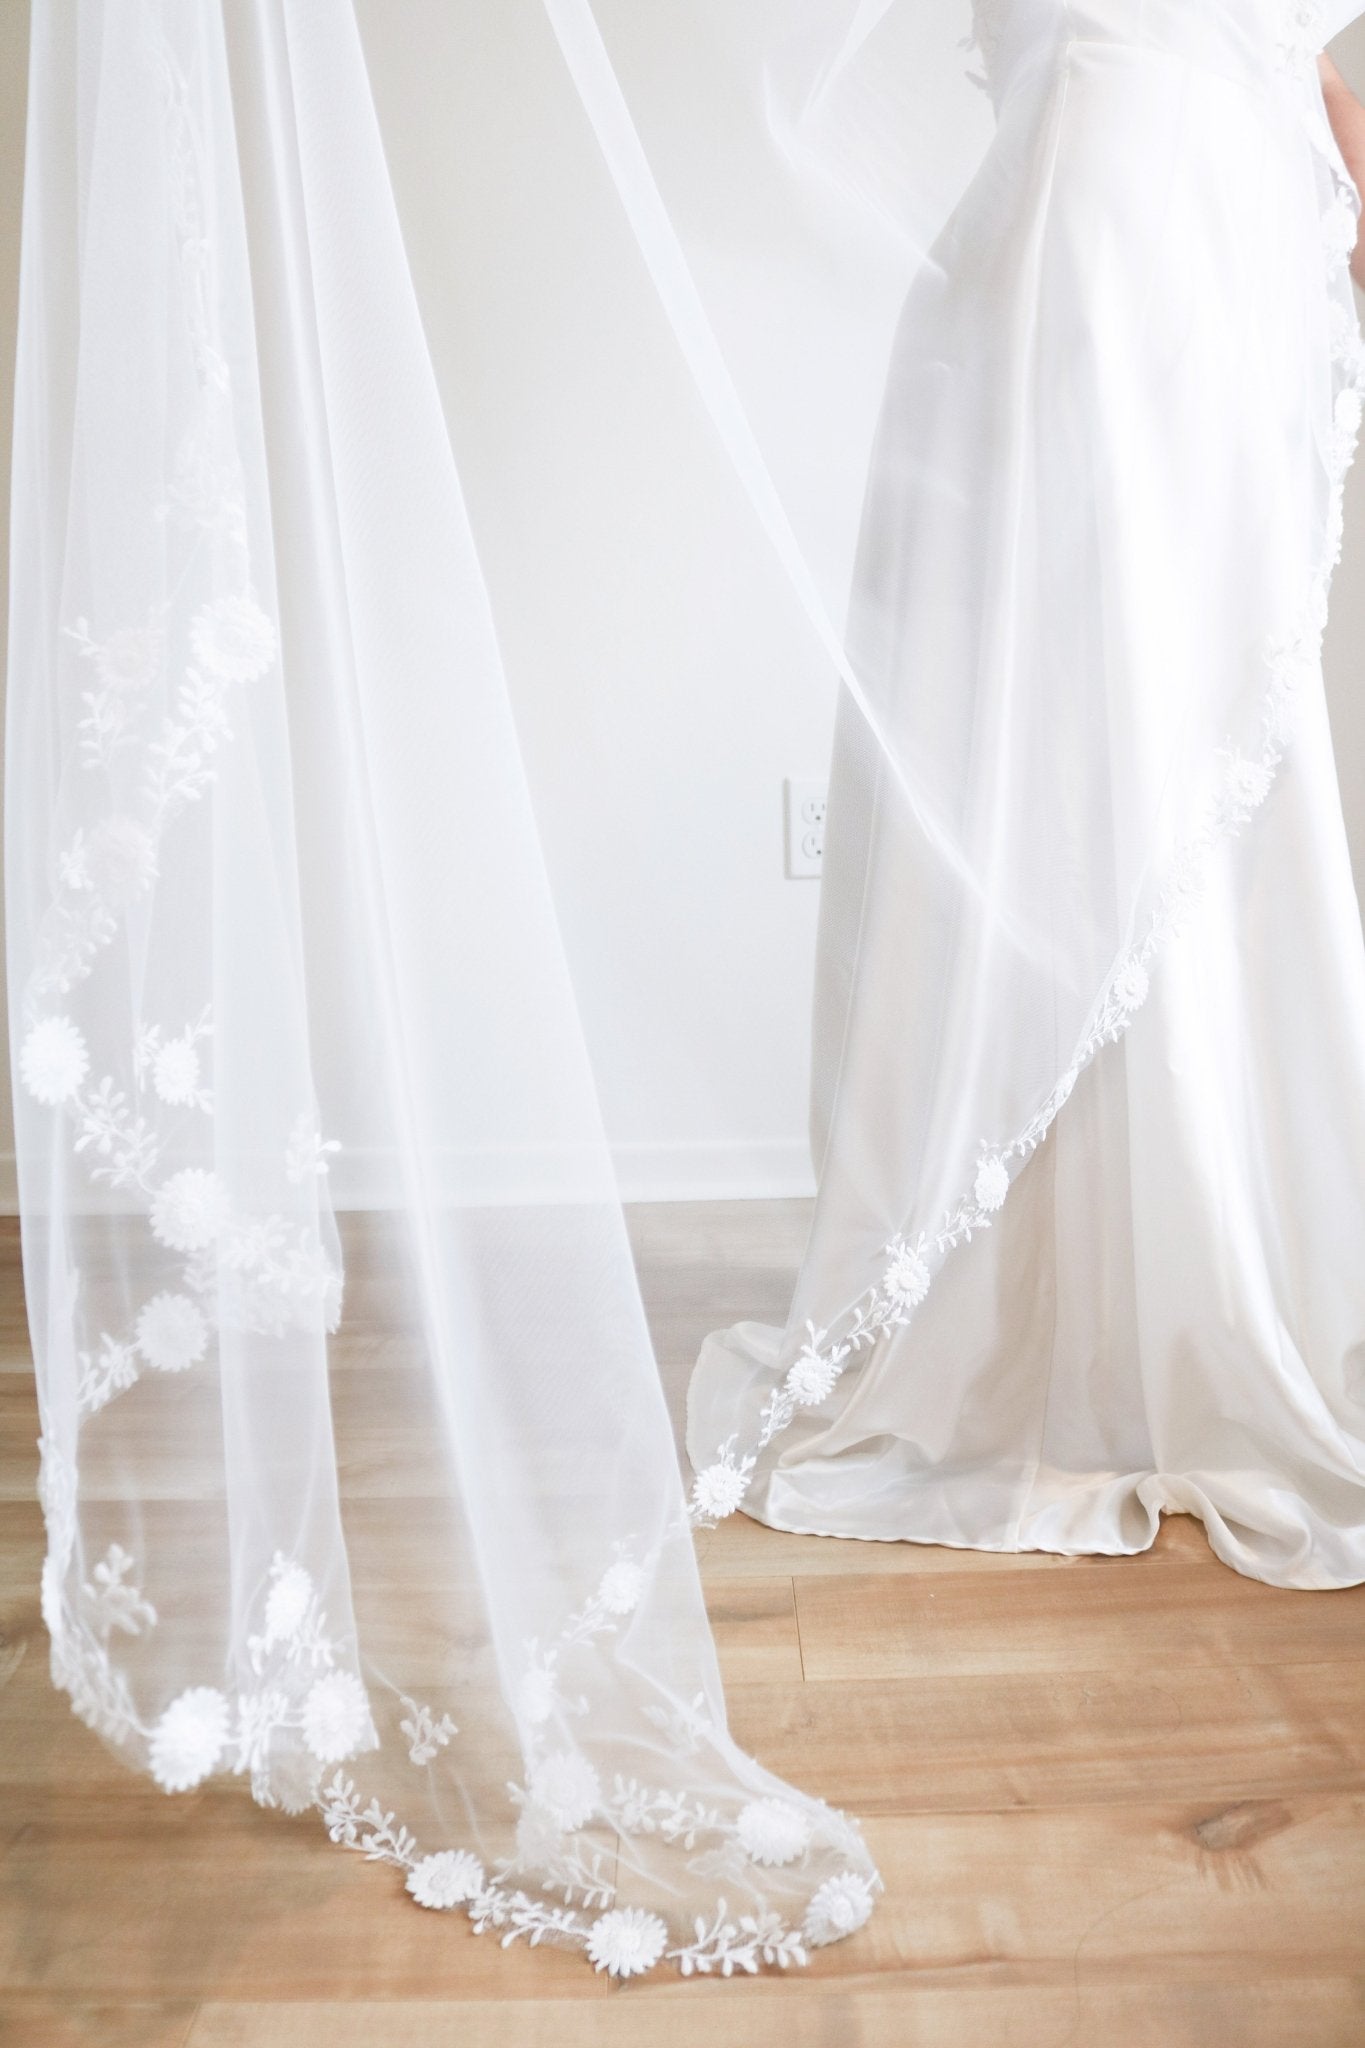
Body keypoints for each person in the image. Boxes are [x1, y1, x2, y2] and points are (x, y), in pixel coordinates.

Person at [689, 0, 1365, 1590]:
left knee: (1179, 772)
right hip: (1120, 233)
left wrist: (1334, 172)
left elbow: (1301, 59)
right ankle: (1091, 1324)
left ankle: (1148, 1300)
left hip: (1199, 222)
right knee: (1106, 769)